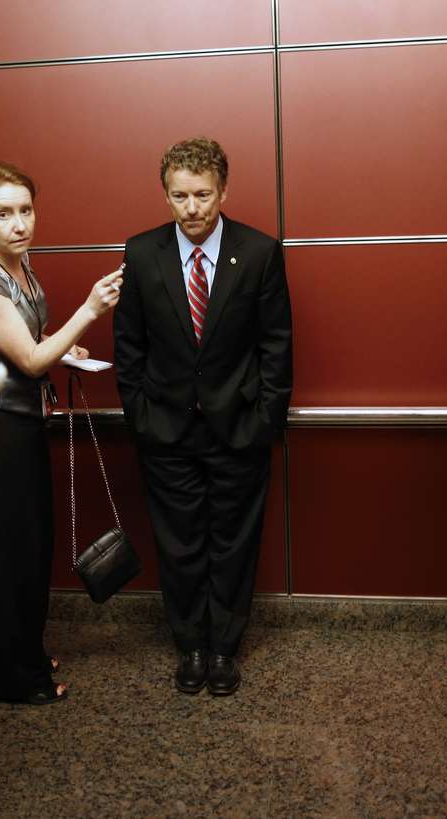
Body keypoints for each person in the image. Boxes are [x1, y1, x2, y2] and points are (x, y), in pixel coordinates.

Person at [113, 137, 293, 696]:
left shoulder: (258, 252)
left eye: (203, 195)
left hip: (239, 429)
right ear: (165, 195)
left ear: (223, 191)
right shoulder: (142, 254)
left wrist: (265, 419)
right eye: (179, 196)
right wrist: (140, 415)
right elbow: (128, 346)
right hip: (165, 432)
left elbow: (277, 345)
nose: (192, 208)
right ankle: (190, 645)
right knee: (180, 543)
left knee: (234, 543)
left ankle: (224, 647)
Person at [0, 161, 123, 705]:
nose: (19, 223)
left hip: (23, 420)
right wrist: (89, 312)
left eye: (25, 210)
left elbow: (27, 335)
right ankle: (11, 677)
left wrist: (63, 347)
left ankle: (25, 649)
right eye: (3, 213)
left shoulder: (19, 266)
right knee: (11, 553)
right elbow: (27, 360)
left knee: (32, 547)